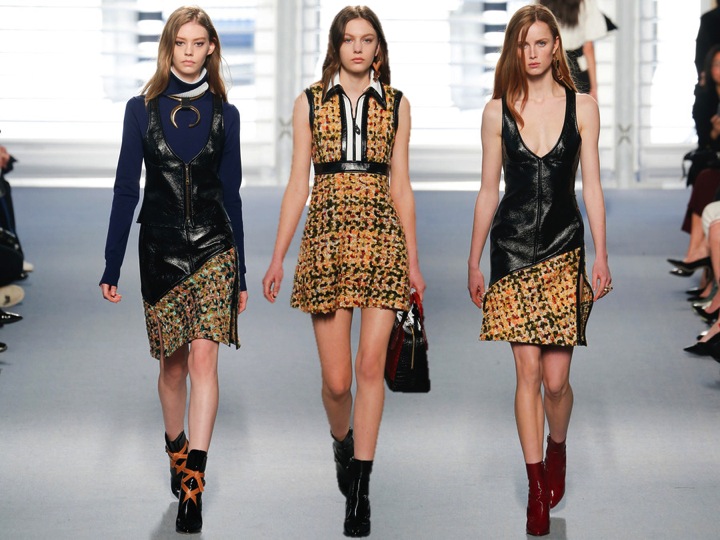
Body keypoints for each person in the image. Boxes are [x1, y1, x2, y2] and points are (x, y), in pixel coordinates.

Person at [262, 5, 424, 537]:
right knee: (337, 383)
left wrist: (413, 262)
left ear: (378, 49)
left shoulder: (396, 105)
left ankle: (361, 490)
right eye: (349, 39)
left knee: (369, 367)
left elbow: (402, 186)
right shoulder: (309, 102)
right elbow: (298, 184)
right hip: (327, 240)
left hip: (381, 238)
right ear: (336, 47)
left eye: (367, 39)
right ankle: (343, 444)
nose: (358, 47)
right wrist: (278, 255)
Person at [99, 6, 247, 534]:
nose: (189, 51)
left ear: (211, 48)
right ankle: (176, 448)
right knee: (174, 367)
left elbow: (232, 194)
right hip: (159, 249)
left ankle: (193, 486)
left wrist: (241, 272)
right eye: (180, 43)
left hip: (214, 248)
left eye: (198, 42)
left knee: (205, 360)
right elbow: (125, 189)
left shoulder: (226, 114)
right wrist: (112, 263)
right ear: (169, 47)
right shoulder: (140, 110)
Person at [467, 5, 611, 536]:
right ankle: (535, 489)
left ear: (556, 47)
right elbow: (488, 190)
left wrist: (601, 254)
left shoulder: (584, 107)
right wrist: (473, 258)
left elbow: (592, 187)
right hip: (510, 250)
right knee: (527, 374)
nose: (532, 53)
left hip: (564, 245)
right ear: (514, 49)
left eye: (541, 43)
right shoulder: (497, 112)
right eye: (523, 44)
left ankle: (558, 446)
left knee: (556, 382)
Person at [667, 45, 720, 283]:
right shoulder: (705, 96)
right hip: (711, 155)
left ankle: (697, 255)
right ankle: (695, 254)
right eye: (716, 64)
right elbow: (703, 135)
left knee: (706, 179)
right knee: (703, 176)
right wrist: (715, 131)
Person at [537, 0, 607, 100]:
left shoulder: (540, 2)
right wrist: (594, 89)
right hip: (578, 69)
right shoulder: (586, 2)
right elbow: (588, 48)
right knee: (579, 107)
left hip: (550, 65)